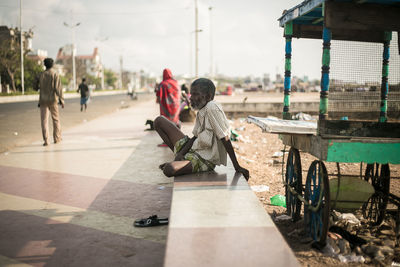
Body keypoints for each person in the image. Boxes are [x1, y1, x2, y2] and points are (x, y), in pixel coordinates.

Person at [154, 78, 250, 180]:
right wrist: (180, 154)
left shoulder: (212, 108)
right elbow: (195, 136)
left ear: (208, 96)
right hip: (194, 149)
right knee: (159, 121)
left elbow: (225, 138)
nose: (190, 98)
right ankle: (181, 160)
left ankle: (182, 163)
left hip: (204, 160)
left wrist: (237, 167)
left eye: (195, 94)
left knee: (169, 169)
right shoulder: (201, 110)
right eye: (191, 94)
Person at [37, 58, 64, 146]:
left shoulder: (41, 74)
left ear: (45, 65)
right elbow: (58, 88)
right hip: (53, 100)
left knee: (44, 121)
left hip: (43, 100)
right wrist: (62, 100)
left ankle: (46, 140)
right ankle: (57, 138)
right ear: (52, 65)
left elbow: (36, 87)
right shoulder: (55, 74)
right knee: (56, 120)